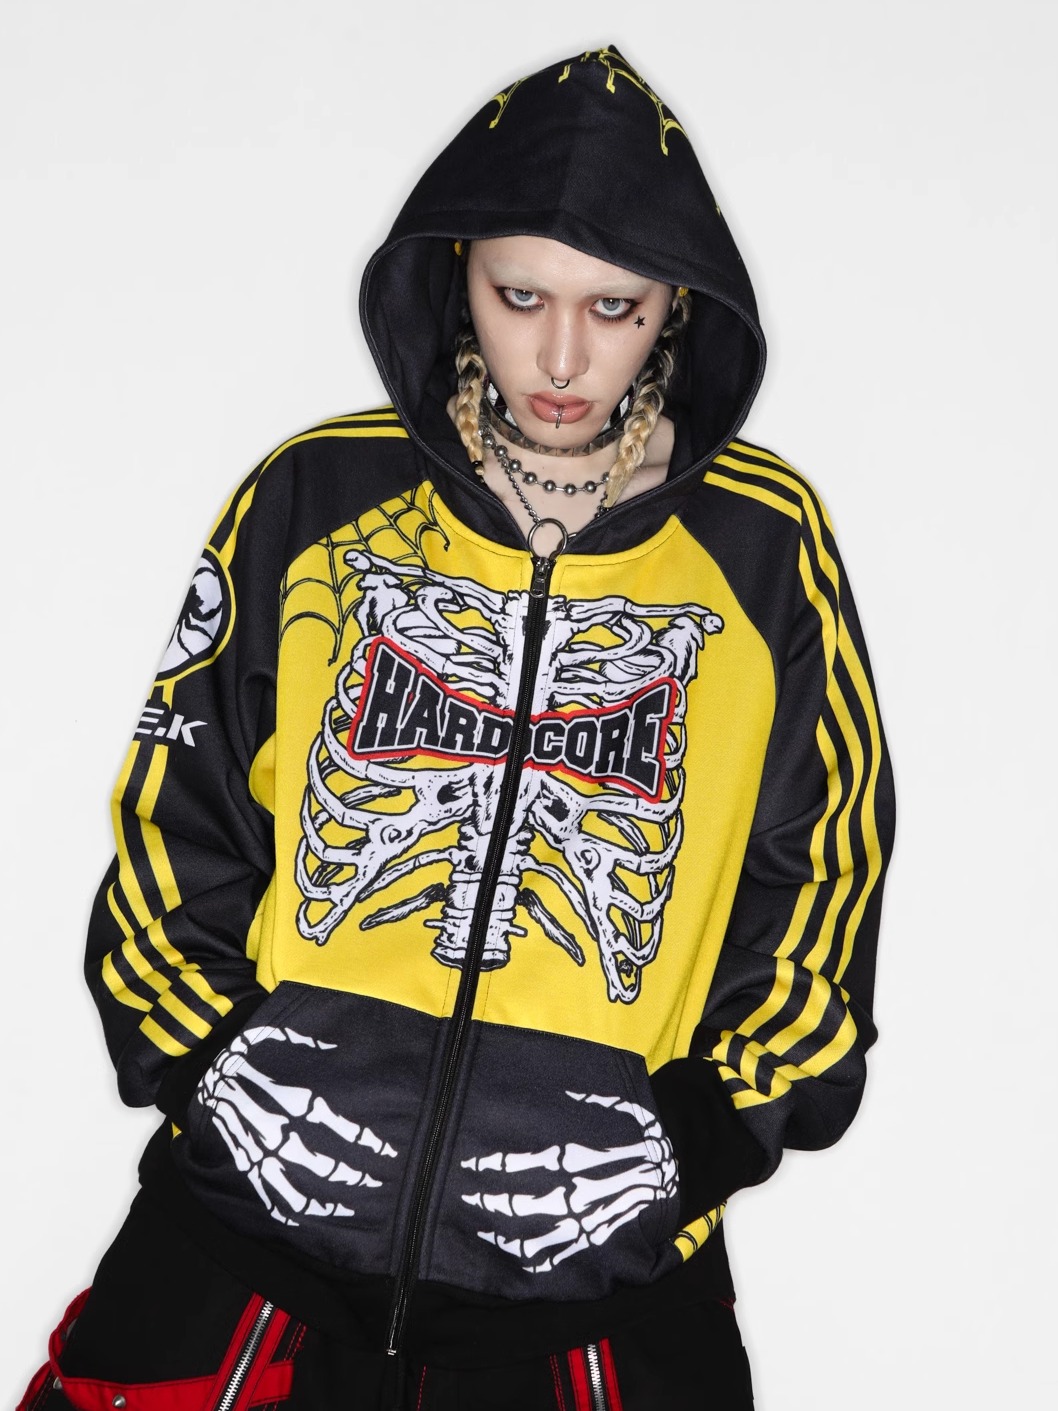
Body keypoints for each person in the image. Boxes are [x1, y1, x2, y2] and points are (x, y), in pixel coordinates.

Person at [18, 44, 894, 1411]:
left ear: (677, 305)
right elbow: (172, 820)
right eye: (520, 294)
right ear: (455, 275)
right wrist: (207, 1070)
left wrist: (693, 1139)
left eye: (613, 305)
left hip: (590, 1297)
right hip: (243, 1260)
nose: (562, 356)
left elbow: (822, 879)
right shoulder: (314, 497)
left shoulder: (763, 549)